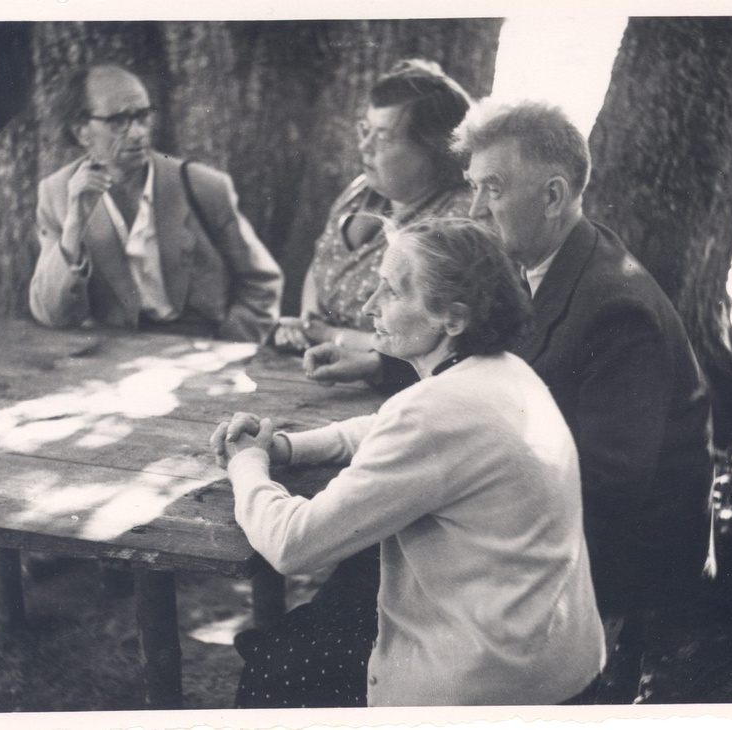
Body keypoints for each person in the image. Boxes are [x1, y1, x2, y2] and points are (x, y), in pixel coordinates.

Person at [306, 100, 714, 698]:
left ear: (552, 196)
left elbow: (609, 487)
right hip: (538, 525)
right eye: (472, 187)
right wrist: (376, 363)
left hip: (613, 561)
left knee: (362, 580)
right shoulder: (546, 261)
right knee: (356, 578)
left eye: (491, 189)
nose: (473, 209)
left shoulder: (615, 308)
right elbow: (492, 371)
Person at [212, 219, 605, 706]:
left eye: (393, 292)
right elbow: (383, 427)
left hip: (488, 686)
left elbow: (294, 546)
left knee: (275, 674)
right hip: (555, 659)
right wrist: (288, 447)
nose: (369, 305)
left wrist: (246, 464)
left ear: (453, 319)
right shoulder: (504, 371)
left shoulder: (434, 412)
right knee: (313, 630)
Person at [29, 63, 282, 343]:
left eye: (142, 117)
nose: (137, 133)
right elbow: (53, 315)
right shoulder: (57, 194)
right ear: (81, 131)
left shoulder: (201, 185)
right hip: (109, 354)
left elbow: (261, 283)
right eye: (118, 121)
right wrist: (74, 224)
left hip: (198, 348)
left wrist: (227, 348)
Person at [273, 58, 472, 366]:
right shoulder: (361, 192)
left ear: (433, 149)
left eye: (384, 136)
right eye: (365, 129)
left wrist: (328, 335)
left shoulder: (455, 222)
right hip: (318, 368)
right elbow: (321, 262)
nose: (364, 146)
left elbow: (432, 342)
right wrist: (306, 323)